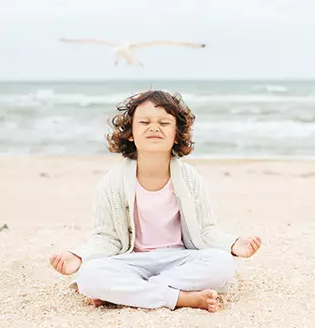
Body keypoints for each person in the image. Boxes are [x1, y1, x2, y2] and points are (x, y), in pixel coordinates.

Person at [49, 90, 261, 312]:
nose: (154, 127)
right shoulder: (112, 182)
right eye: (144, 122)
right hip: (132, 261)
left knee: (222, 264)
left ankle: (129, 294)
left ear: (177, 134)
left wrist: (232, 245)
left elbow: (206, 230)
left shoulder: (190, 179)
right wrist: (79, 256)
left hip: (179, 259)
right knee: (91, 275)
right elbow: (107, 238)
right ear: (131, 133)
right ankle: (181, 298)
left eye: (164, 122)